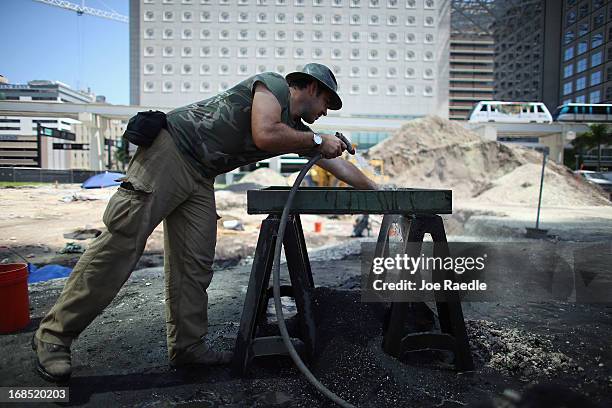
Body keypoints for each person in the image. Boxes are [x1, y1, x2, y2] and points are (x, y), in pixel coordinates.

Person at [32, 63, 377, 382]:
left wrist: (379, 192)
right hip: (170, 151)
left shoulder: (297, 132)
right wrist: (319, 140)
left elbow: (341, 167)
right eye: (326, 104)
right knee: (121, 245)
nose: (325, 113)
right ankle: (54, 337)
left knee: (194, 263)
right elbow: (264, 133)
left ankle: (187, 349)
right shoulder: (272, 87)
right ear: (312, 88)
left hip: (201, 175)